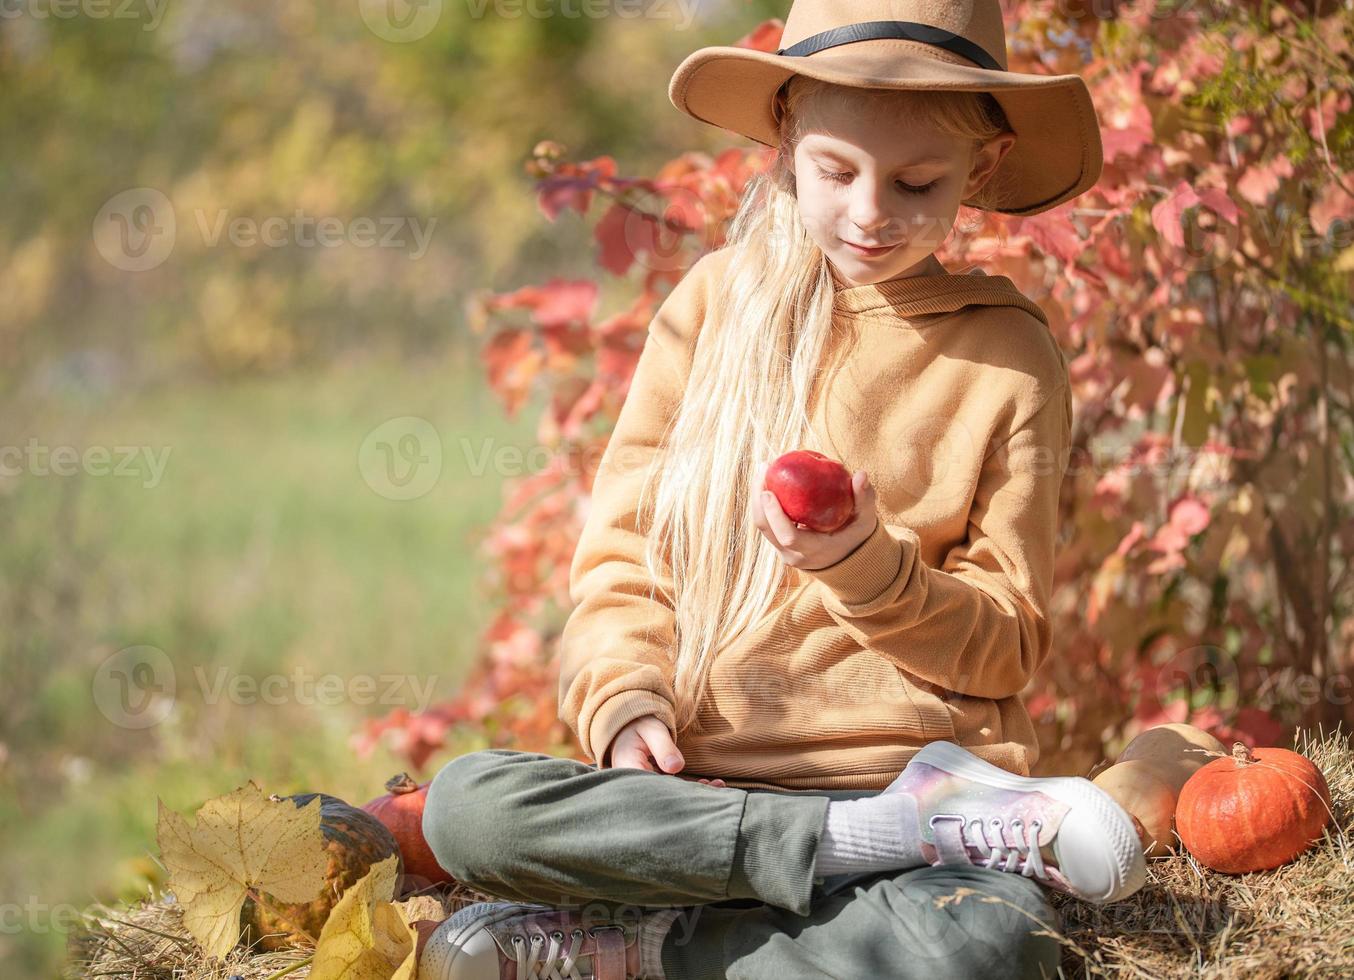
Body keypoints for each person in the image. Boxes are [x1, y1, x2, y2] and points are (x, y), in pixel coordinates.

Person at [420, 1, 1142, 977]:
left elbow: (1005, 640)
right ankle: (820, 868)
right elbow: (626, 552)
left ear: (979, 169)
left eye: (916, 180)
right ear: (786, 150)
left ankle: (643, 949)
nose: (869, 211)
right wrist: (624, 697)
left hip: (916, 799)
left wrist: (866, 567)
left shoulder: (1005, 355)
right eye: (835, 172)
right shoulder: (715, 309)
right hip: (703, 809)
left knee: (984, 941)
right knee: (466, 804)